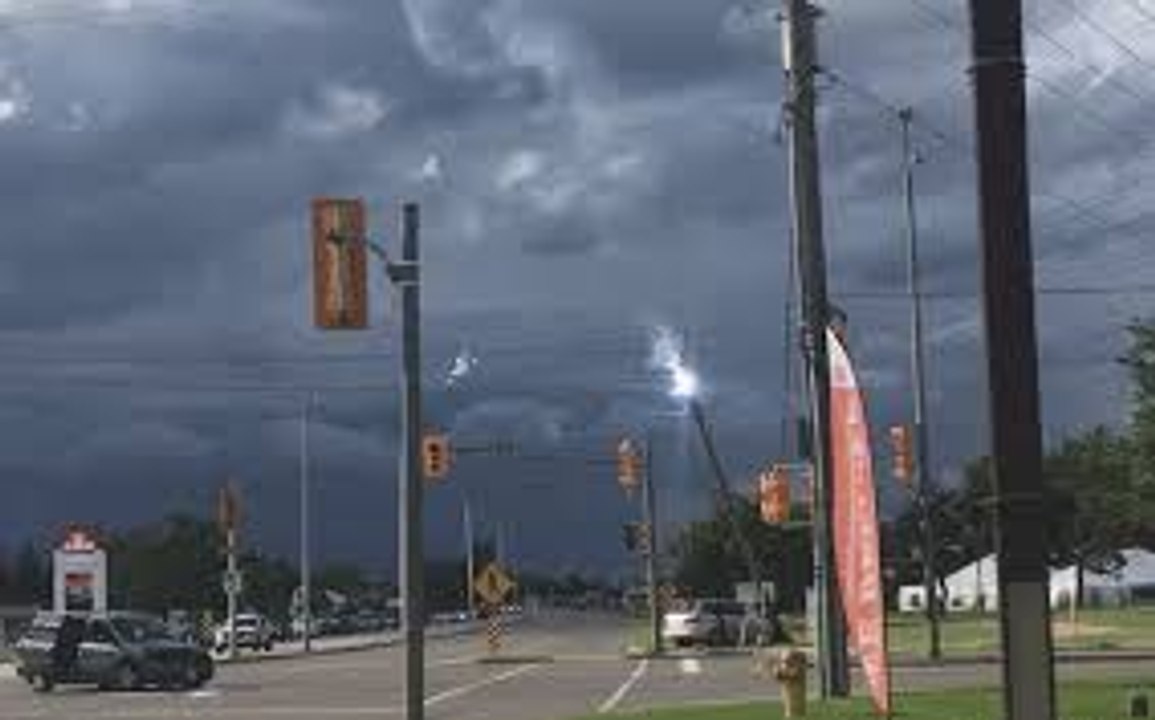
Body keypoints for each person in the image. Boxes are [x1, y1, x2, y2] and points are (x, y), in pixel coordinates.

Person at [50, 615, 85, 680]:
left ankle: (65, 670)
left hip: (68, 647)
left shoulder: (73, 629)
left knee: (68, 658)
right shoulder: (67, 628)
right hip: (64, 647)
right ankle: (62, 670)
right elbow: (59, 637)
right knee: (64, 658)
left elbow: (77, 638)